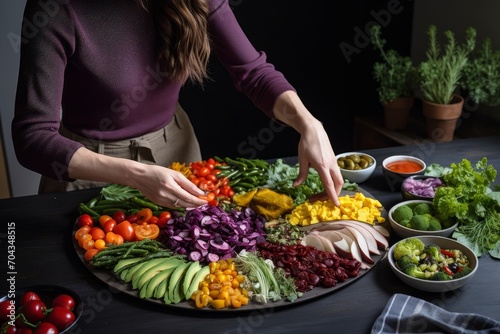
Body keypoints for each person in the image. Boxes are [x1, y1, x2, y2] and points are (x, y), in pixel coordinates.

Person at [12, 0, 343, 209]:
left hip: (178, 156)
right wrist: (139, 175)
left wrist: (308, 123)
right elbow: (32, 138)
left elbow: (254, 74)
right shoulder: (54, 9)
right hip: (89, 170)